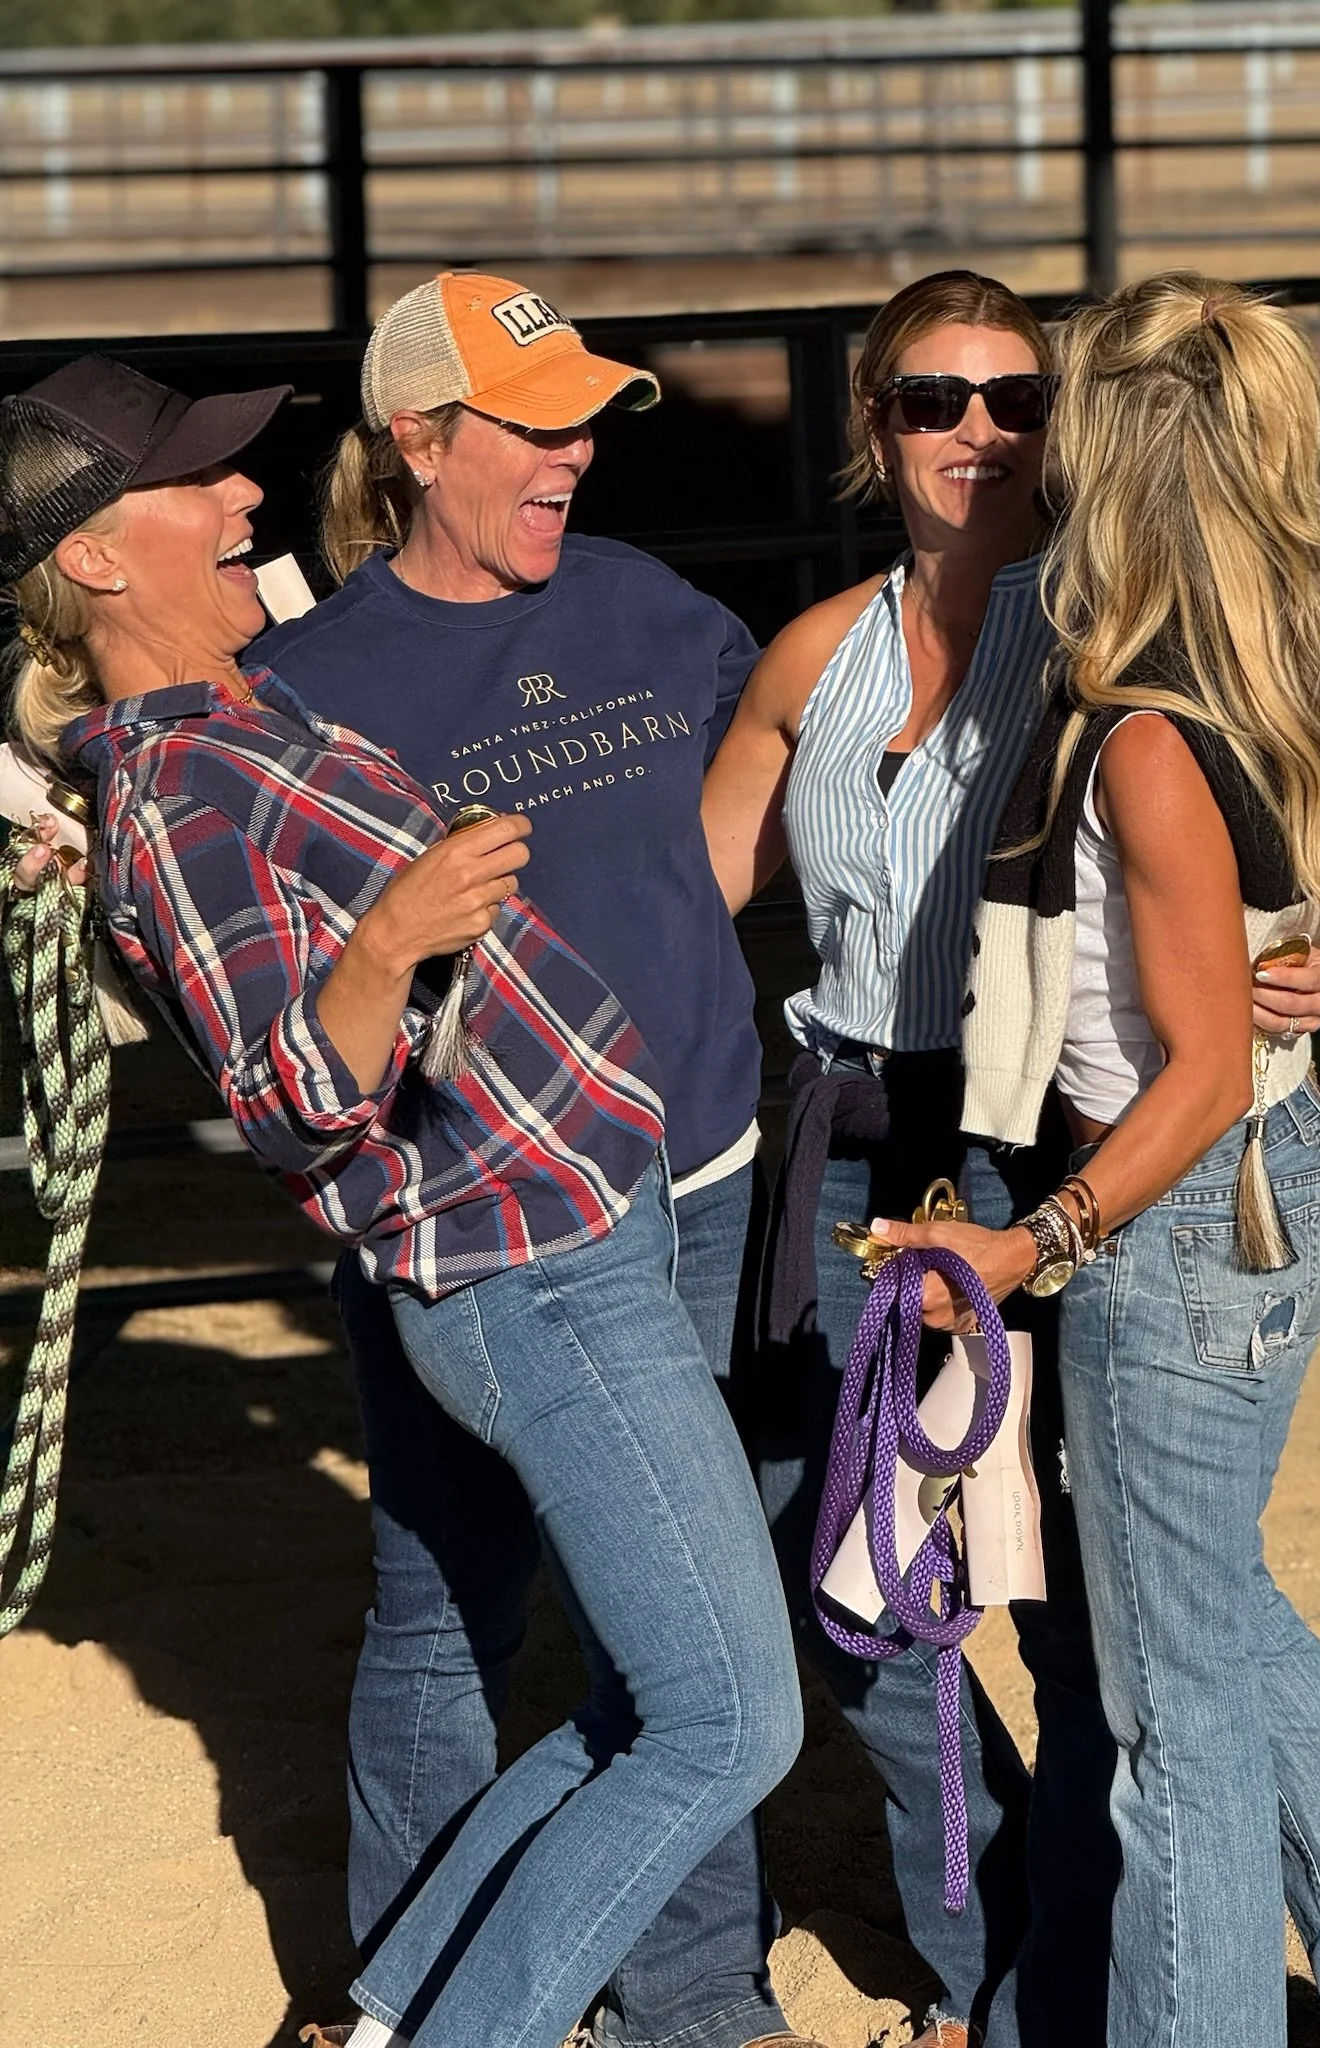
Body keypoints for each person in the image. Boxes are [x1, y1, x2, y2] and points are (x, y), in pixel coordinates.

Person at [0, 352, 801, 2048]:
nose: (245, 500)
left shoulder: (235, 708)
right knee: (730, 1726)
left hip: (586, 1224)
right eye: (198, 485)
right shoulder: (177, 794)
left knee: (668, 1703)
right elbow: (294, 1106)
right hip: (536, 1267)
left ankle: (388, 2011)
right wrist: (393, 933)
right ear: (91, 558)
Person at [871, 273, 1320, 2048]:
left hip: (1174, 1218)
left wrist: (1037, 1249)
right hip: (1283, 1184)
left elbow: (1194, 1075)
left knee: (1174, 1730)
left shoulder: (1152, 731)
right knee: (1216, 1610)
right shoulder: (1312, 641)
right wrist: (1312, 910)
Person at [702, 269, 1320, 2048]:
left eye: (1016, 399)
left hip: (1014, 1151)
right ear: (872, 426)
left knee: (1082, 1603)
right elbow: (684, 920)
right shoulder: (806, 659)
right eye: (931, 399)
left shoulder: (1113, 649)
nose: (977, 432)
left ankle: (1064, 1990)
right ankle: (988, 1945)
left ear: (1065, 427)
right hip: (841, 1151)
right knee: (862, 1576)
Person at [248, 272, 808, 2048]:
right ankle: (410, 1984)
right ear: (419, 442)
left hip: (705, 1175)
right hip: (480, 1214)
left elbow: (788, 763)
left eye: (585, 422)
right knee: (448, 1599)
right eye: (533, 424)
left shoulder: (648, 607)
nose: (574, 456)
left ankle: (695, 1999)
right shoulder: (303, 688)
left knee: (695, 1624)